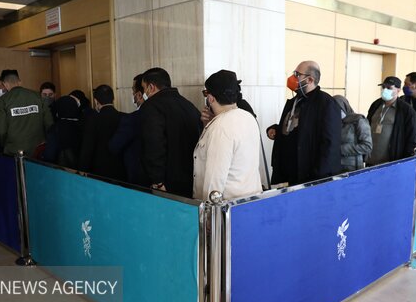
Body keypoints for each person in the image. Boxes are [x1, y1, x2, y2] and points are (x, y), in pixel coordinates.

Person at [266, 61, 341, 186]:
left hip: (308, 177)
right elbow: (295, 129)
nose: (292, 78)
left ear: (310, 79)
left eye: (297, 74)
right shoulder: (294, 101)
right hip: (285, 173)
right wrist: (276, 130)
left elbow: (330, 144)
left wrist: (317, 178)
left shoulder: (326, 104)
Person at [193, 70, 262, 200]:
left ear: (211, 98)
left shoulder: (220, 127)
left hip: (225, 209)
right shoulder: (248, 117)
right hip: (249, 201)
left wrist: (208, 214)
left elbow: (214, 180)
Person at [139, 67, 202, 197]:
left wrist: (157, 181)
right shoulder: (188, 105)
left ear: (151, 87)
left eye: (144, 88)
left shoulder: (151, 107)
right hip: (191, 179)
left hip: (167, 183)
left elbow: (154, 144)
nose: (143, 92)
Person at [0, 69, 53, 156]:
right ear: (20, 82)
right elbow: (49, 123)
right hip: (38, 149)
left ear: (5, 84)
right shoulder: (37, 96)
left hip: (14, 150)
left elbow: (1, 131)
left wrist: (5, 144)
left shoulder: (2, 101)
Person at [366, 76, 416, 166]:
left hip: (391, 161)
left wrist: (404, 161)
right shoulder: (375, 105)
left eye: (389, 88)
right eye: (383, 87)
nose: (385, 90)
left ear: (398, 90)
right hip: (370, 159)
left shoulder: (406, 110)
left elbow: (411, 137)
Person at [78, 84, 125, 179]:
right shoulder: (124, 117)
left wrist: (82, 168)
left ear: (96, 101)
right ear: (113, 99)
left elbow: (88, 146)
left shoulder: (92, 119)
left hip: (99, 169)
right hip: (121, 168)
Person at [109, 74, 147, 186]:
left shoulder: (132, 119)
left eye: (133, 91)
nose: (132, 94)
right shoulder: (162, 114)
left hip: (137, 178)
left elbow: (114, 146)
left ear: (139, 95)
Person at [333, 95, 372, 172]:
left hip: (353, 168)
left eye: (338, 108)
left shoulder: (359, 120)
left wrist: (341, 149)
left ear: (344, 106)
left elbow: (367, 146)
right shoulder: (334, 123)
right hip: (336, 167)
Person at [42, 96, 83, 168]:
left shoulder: (55, 128)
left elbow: (49, 155)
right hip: (85, 172)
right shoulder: (84, 124)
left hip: (63, 172)